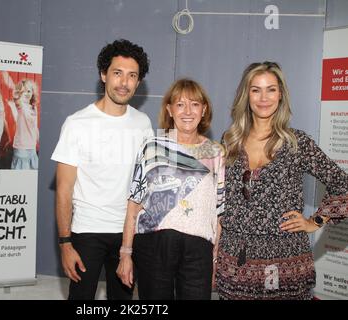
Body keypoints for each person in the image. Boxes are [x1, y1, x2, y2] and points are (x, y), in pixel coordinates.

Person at [216, 61, 348, 300]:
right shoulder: (230, 141)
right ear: (246, 96)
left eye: (271, 89)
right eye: (256, 89)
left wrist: (315, 220)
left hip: (284, 260)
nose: (263, 97)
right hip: (234, 262)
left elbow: (342, 183)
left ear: (280, 95)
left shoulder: (297, 143)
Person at [51, 39, 152, 300]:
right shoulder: (77, 123)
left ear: (138, 82)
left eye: (132, 76)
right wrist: (65, 244)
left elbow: (147, 184)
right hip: (87, 232)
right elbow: (63, 189)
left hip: (128, 235)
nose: (124, 82)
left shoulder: (143, 124)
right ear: (103, 75)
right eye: (117, 73)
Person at [116, 78, 225, 300]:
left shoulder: (215, 152)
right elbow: (133, 206)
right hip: (154, 246)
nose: (188, 111)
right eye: (180, 104)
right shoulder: (152, 147)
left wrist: (215, 258)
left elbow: (219, 211)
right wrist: (125, 254)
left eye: (195, 104)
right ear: (169, 110)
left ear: (204, 110)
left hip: (199, 250)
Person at [10, 79, 39, 170]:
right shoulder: (21, 105)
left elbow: (34, 126)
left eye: (29, 91)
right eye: (24, 91)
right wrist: (16, 98)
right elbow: (18, 103)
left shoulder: (34, 107)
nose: (26, 93)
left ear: (33, 93)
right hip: (22, 147)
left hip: (32, 147)